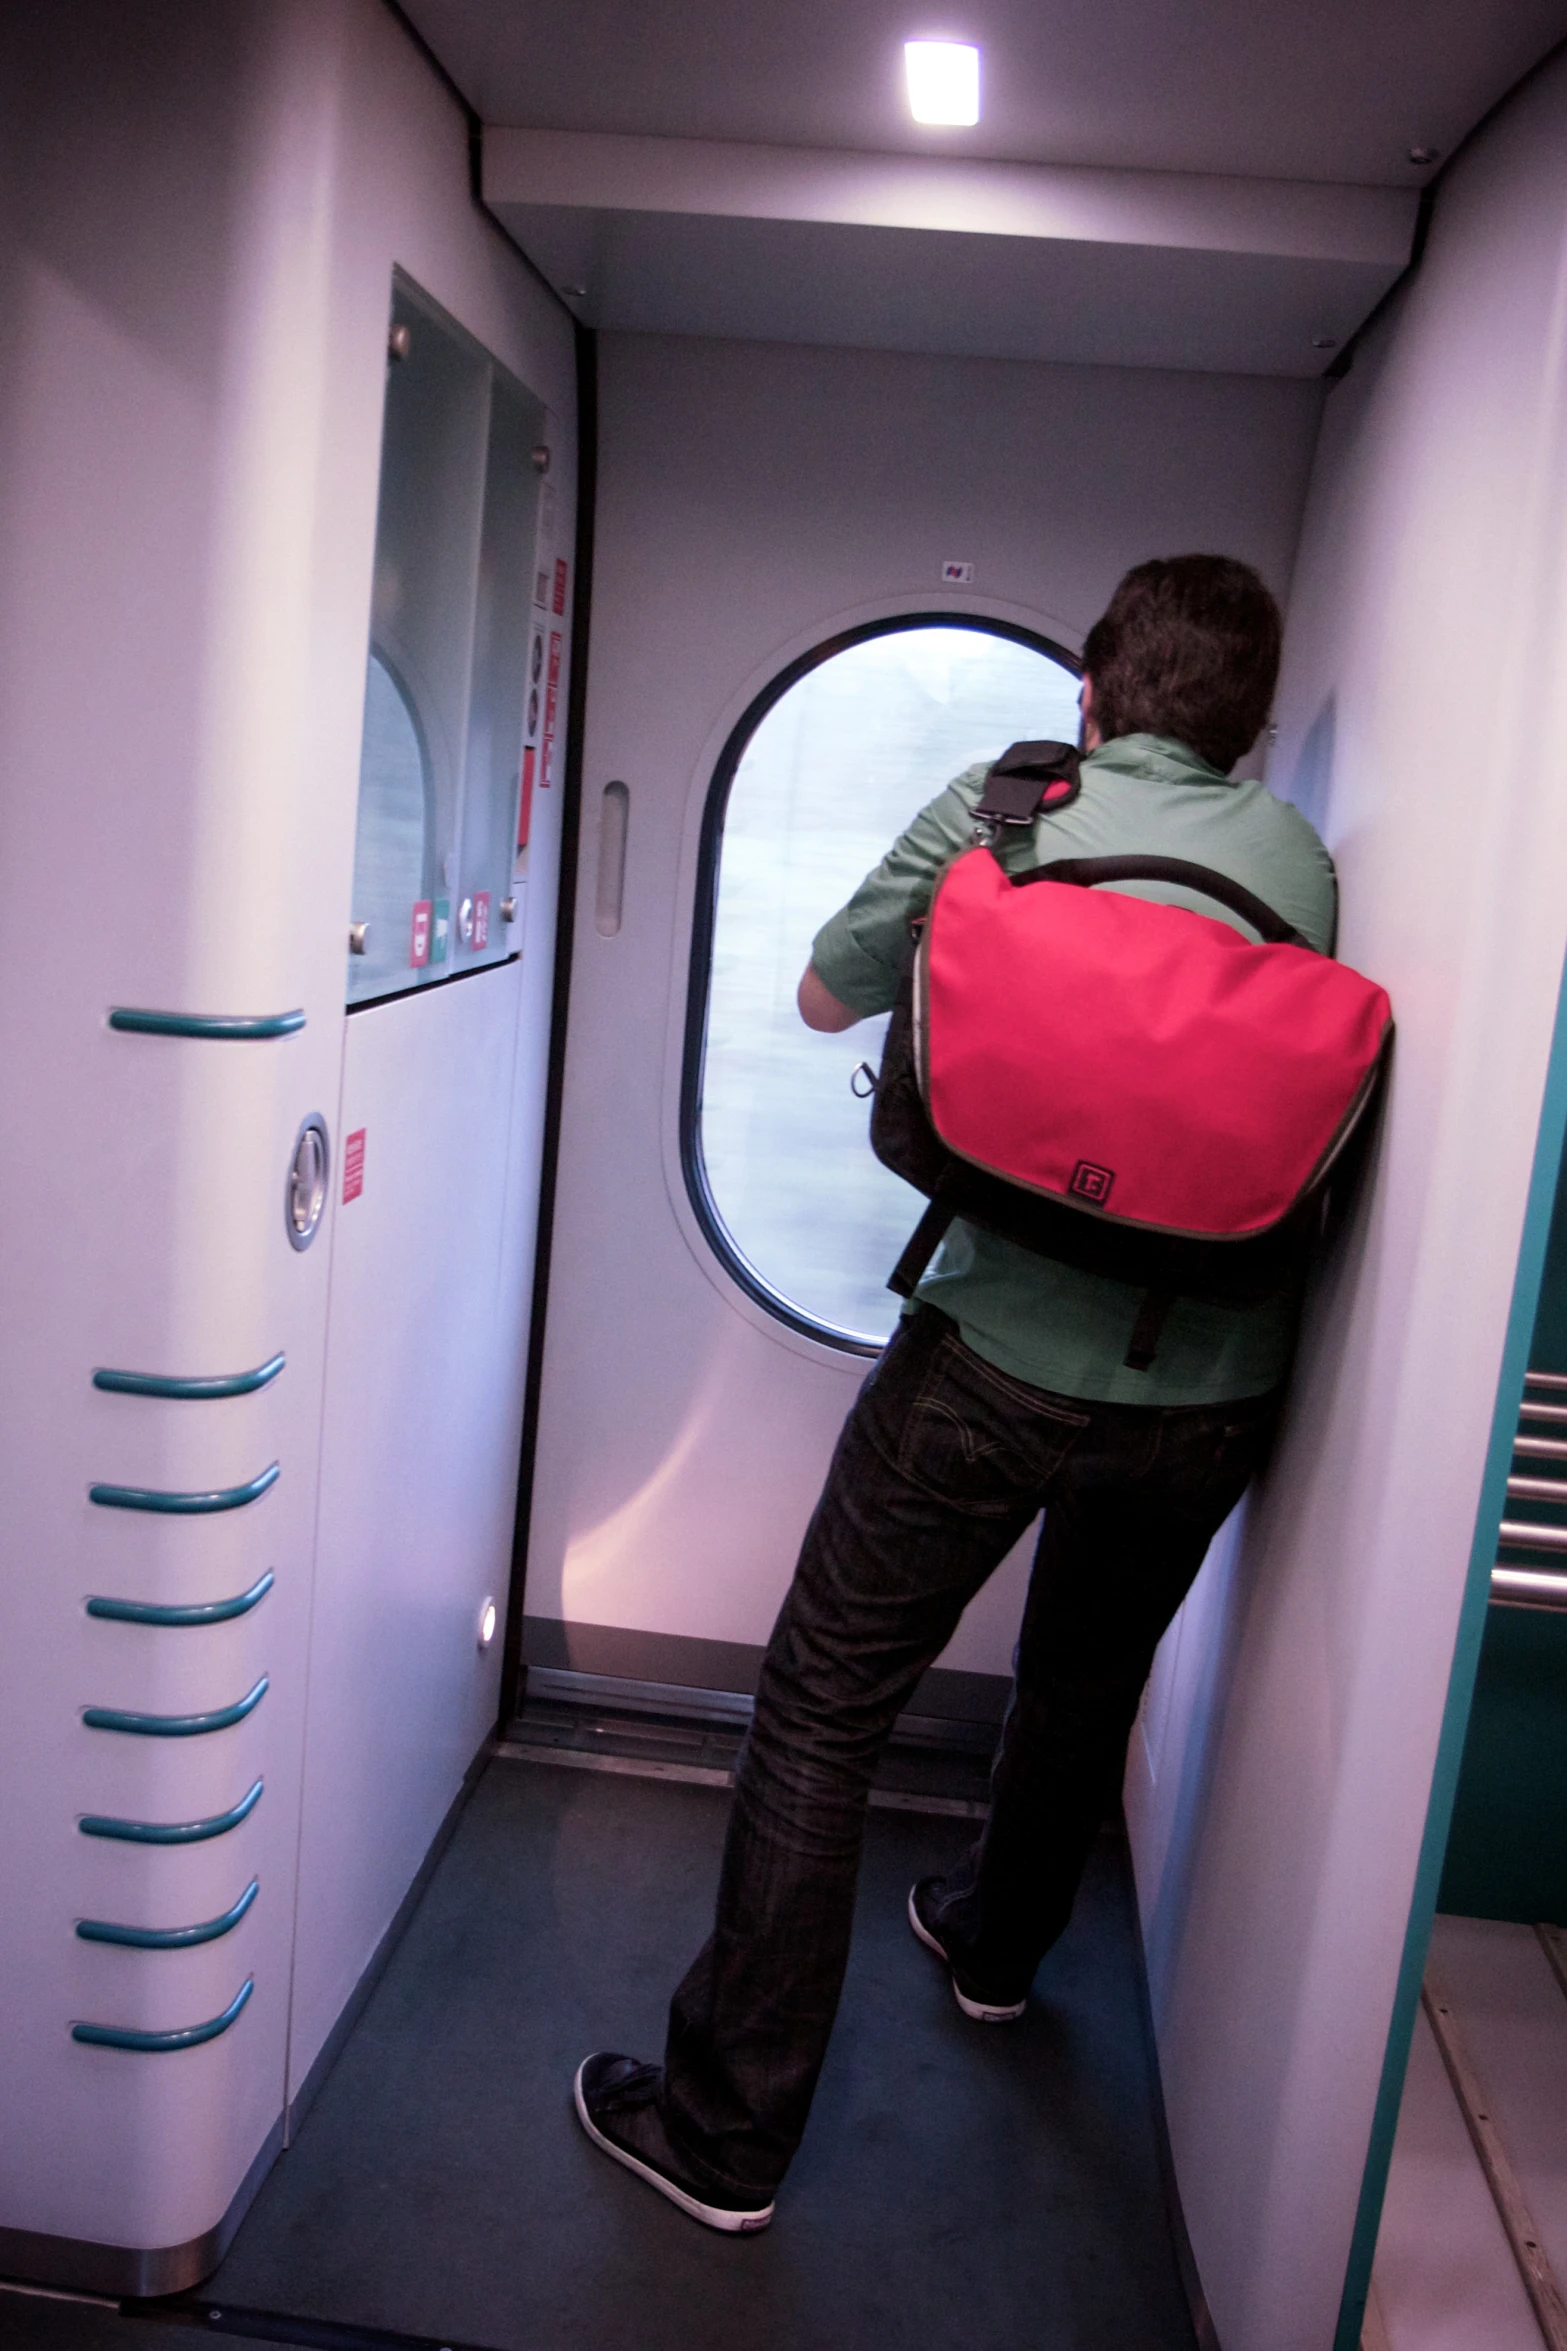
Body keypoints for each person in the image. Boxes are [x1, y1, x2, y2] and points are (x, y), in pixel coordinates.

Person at [573, 554, 1338, 2233]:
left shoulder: (1004, 806)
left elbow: (822, 993)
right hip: (1209, 1375)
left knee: (824, 1699)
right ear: (1254, 726)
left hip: (996, 1343)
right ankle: (994, 1949)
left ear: (1089, 686)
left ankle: (724, 2135)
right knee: (1082, 1676)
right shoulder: (1297, 864)